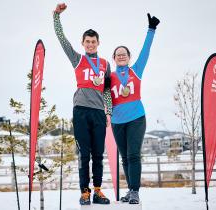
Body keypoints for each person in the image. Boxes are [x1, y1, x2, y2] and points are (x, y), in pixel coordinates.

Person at [53, 3, 112, 205]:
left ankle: (97, 190)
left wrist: (108, 112)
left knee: (98, 154)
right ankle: (84, 192)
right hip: (80, 111)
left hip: (98, 112)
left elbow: (107, 90)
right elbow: (62, 40)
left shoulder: (105, 64)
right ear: (83, 43)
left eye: (93, 42)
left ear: (98, 43)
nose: (90, 45)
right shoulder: (77, 59)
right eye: (87, 42)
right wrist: (56, 17)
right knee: (83, 154)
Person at [110, 14, 160, 204]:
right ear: (114, 58)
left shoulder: (136, 71)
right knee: (124, 158)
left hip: (136, 118)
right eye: (118, 54)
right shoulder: (110, 76)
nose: (121, 56)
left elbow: (146, 51)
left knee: (133, 155)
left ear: (129, 57)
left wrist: (151, 30)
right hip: (116, 122)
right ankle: (130, 191)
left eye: (124, 53)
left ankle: (135, 191)